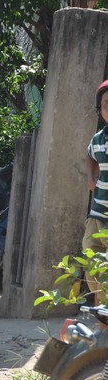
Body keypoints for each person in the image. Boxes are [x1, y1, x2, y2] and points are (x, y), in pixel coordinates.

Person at [84, 80, 108, 304]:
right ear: (99, 110)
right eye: (107, 105)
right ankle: (103, 313)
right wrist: (91, 179)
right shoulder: (98, 139)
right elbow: (90, 156)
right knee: (92, 259)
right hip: (98, 212)